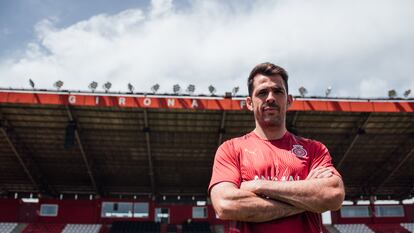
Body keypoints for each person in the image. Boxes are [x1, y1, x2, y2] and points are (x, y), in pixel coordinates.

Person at [208, 62, 345, 233]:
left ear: (289, 100)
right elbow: (226, 204)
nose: (270, 98)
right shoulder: (230, 149)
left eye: (278, 91)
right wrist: (307, 200)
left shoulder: (314, 150)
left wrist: (258, 186)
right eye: (262, 92)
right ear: (249, 103)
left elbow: (333, 195)